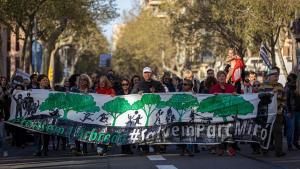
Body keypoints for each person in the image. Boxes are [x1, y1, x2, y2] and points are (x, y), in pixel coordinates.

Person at [131, 67, 165, 154]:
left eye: (149, 73)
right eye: (145, 73)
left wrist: (156, 92)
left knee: (156, 129)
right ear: (143, 74)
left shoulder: (157, 84)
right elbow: (132, 95)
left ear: (151, 73)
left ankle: (157, 148)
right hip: (143, 111)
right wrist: (137, 94)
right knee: (144, 129)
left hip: (155, 110)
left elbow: (164, 95)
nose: (147, 74)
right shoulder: (139, 84)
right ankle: (144, 148)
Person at [259, 67, 286, 157]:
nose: (276, 78)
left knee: (278, 132)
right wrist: (270, 92)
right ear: (269, 76)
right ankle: (264, 149)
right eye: (275, 76)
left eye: (277, 76)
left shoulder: (280, 86)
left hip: (278, 113)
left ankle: (279, 151)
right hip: (267, 114)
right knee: (265, 132)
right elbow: (259, 97)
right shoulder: (263, 85)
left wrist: (281, 108)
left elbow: (284, 99)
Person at [210, 71, 236, 156]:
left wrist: (235, 95)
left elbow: (236, 98)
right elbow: (209, 100)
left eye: (223, 76)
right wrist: (213, 96)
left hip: (229, 112)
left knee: (230, 130)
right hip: (219, 113)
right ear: (217, 78)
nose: (222, 78)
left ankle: (229, 147)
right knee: (220, 130)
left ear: (226, 78)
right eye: (220, 76)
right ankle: (221, 148)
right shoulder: (214, 88)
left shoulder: (231, 87)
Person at [71, 74, 93, 155]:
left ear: (87, 82)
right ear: (78, 81)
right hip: (76, 113)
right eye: (81, 80)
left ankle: (84, 147)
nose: (82, 81)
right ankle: (77, 148)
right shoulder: (74, 90)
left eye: (84, 80)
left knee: (84, 131)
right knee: (76, 130)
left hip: (86, 113)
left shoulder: (91, 91)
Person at [179, 78, 195, 156]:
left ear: (190, 86)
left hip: (191, 117)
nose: (183, 86)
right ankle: (183, 148)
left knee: (190, 132)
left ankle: (189, 149)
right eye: (182, 84)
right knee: (181, 132)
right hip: (181, 116)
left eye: (185, 84)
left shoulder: (194, 94)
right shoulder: (179, 94)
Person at [284, 73, 300, 151]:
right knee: (290, 128)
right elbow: (286, 101)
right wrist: (288, 111)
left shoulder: (297, 87)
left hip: (298, 110)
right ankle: (289, 145)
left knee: (298, 128)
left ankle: (295, 142)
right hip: (290, 111)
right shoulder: (288, 88)